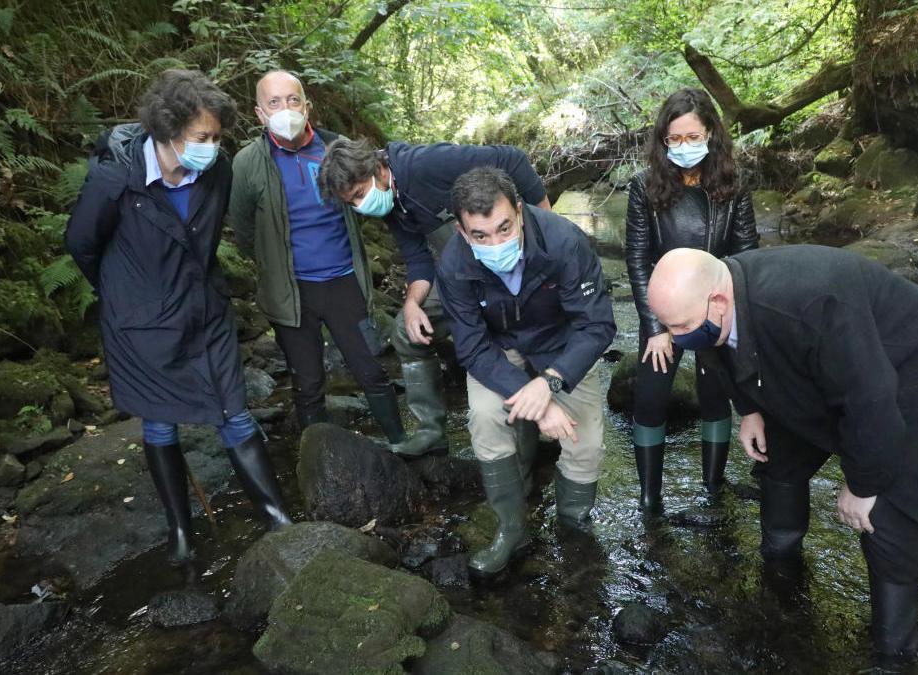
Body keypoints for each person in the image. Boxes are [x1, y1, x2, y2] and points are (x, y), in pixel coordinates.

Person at [647, 246, 918, 667]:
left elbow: (871, 402)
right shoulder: (719, 302)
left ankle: (895, 652)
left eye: (682, 327)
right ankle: (781, 566)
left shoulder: (809, 303)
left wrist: (862, 485)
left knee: (887, 513)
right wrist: (750, 410)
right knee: (777, 459)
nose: (677, 341)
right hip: (825, 369)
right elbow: (719, 348)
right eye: (669, 327)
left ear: (718, 301)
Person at [65, 70, 292, 564]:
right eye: (200, 137)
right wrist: (127, 294)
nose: (210, 146)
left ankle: (278, 520)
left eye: (216, 137)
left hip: (203, 310)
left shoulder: (217, 169)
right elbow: (81, 244)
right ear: (167, 132)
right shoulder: (115, 177)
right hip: (140, 323)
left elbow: (206, 238)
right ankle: (181, 537)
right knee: (160, 423)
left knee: (234, 409)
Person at [318, 137, 552, 458]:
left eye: (360, 194)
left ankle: (539, 422)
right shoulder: (390, 202)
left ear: (377, 168)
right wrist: (413, 305)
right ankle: (431, 431)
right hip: (460, 271)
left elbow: (512, 159)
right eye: (352, 203)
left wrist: (548, 226)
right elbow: (418, 259)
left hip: (508, 255)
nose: (361, 205)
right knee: (404, 331)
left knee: (516, 332)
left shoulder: (426, 165)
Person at [436, 167, 615, 577]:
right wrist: (537, 401)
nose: (495, 243)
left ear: (518, 211)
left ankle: (573, 526)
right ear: (463, 233)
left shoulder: (564, 241)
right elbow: (471, 346)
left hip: (562, 342)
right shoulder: (453, 264)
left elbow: (597, 325)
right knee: (484, 418)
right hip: (499, 348)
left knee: (583, 442)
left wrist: (552, 382)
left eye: (504, 228)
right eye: (480, 236)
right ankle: (511, 529)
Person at [227, 71, 404, 443]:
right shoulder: (247, 164)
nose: (285, 109)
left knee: (372, 370)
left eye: (293, 100)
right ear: (260, 114)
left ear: (307, 106)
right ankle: (318, 464)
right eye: (274, 102)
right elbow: (243, 230)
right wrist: (273, 267)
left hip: (344, 284)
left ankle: (403, 447)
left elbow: (368, 198)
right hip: (291, 294)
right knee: (307, 384)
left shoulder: (336, 148)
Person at [625, 87, 758, 514]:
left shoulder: (733, 185)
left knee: (715, 394)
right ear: (663, 140)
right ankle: (650, 499)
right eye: (674, 139)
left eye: (692, 137)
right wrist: (656, 327)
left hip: (715, 308)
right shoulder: (644, 186)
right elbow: (638, 258)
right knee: (649, 397)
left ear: (711, 134)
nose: (684, 147)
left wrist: (726, 317)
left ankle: (713, 487)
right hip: (665, 312)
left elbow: (746, 254)